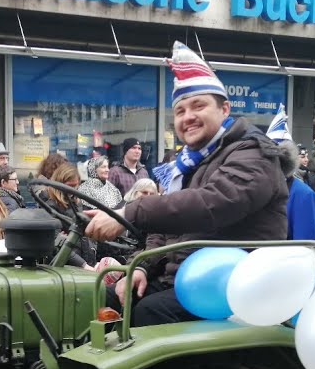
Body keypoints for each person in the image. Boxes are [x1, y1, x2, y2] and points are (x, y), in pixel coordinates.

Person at [85, 41, 288, 327]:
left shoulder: (253, 153)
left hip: (232, 284)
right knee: (102, 298)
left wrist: (129, 211)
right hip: (184, 277)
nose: (188, 116)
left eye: (198, 105)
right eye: (180, 111)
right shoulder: (188, 164)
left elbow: (211, 205)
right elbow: (165, 228)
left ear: (225, 109)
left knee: (149, 313)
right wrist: (142, 267)